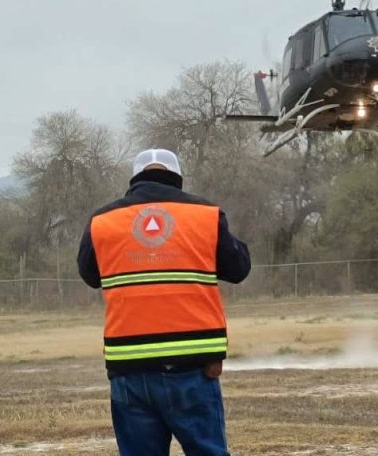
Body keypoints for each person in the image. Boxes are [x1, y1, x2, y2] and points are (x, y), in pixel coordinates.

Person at [78, 148, 251, 456]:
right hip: (195, 367)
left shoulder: (102, 220)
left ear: (134, 180)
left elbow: (90, 274)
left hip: (129, 370)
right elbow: (239, 269)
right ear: (177, 179)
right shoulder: (206, 214)